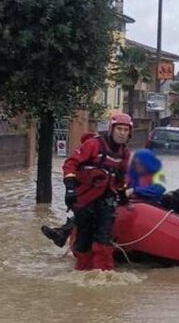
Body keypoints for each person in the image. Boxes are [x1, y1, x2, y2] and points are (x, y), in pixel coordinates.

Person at [43, 113, 133, 271]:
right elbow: (70, 164)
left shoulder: (124, 153)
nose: (122, 133)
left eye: (126, 130)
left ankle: (104, 275)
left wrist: (123, 196)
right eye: (119, 129)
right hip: (85, 199)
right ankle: (82, 271)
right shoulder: (93, 145)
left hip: (106, 200)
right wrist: (70, 188)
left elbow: (121, 178)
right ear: (111, 129)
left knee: (104, 239)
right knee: (83, 241)